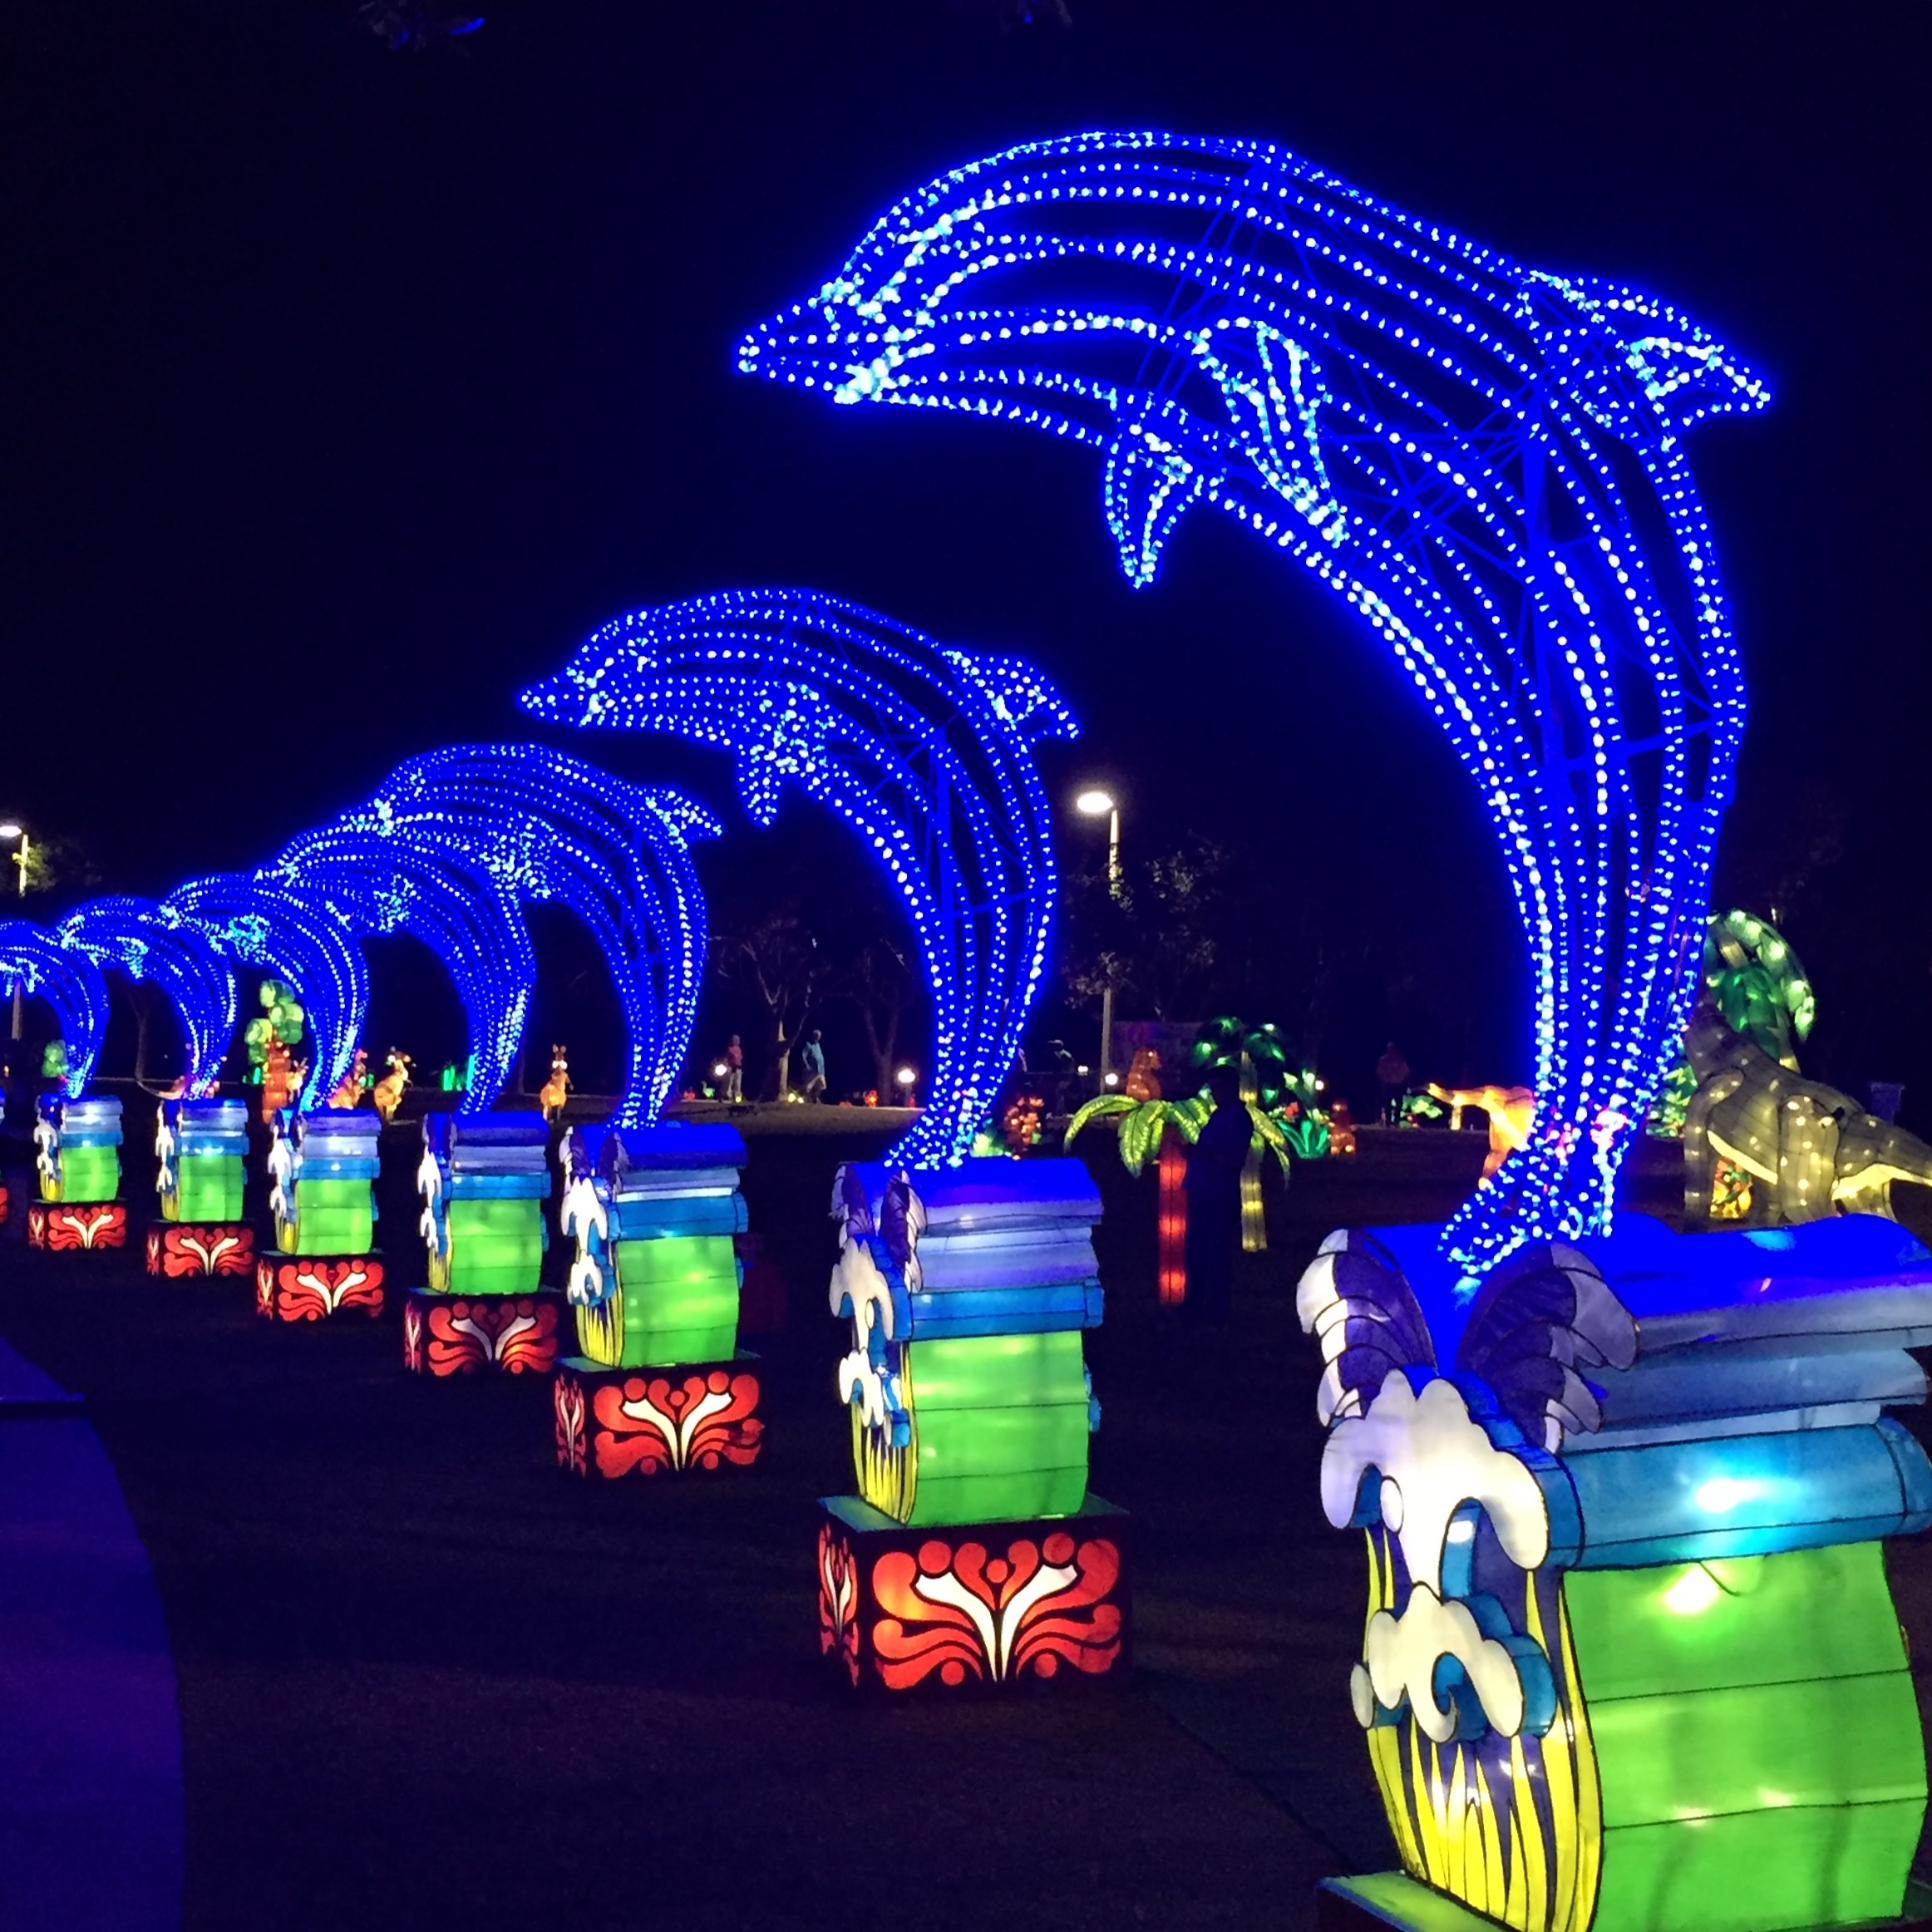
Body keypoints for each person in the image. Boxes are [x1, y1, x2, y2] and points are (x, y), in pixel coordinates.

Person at [1181, 1062, 1249, 1329]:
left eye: (1216, 1088)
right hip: (1203, 1191)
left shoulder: (1236, 1118)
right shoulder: (1222, 1116)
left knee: (1214, 1255)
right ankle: (1196, 1308)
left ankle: (1212, 1313)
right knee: (1198, 1253)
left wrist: (1199, 1153)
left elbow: (1233, 1159)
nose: (1214, 1094)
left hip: (1217, 1195)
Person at [1376, 1040, 1411, 1126]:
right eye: (1390, 1048)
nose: (1391, 1050)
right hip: (1388, 1084)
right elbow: (1380, 1071)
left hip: (1398, 1084)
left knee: (1399, 1104)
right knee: (1387, 1104)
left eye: (1393, 1048)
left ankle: (1396, 1121)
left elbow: (1405, 1071)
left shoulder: (1400, 1060)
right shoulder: (1384, 1060)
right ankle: (1388, 1122)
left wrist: (1402, 1080)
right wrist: (1385, 1080)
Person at [799, 1028, 826, 1103]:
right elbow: (803, 1055)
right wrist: (807, 1065)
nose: (818, 1037)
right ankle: (804, 1100)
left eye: (819, 1036)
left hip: (820, 1070)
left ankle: (815, 1097)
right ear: (814, 1036)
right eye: (817, 1036)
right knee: (809, 1086)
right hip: (813, 1070)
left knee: (823, 1086)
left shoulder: (818, 1044)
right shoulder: (808, 1044)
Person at [722, 1034, 744, 1104]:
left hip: (738, 1068)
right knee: (729, 1082)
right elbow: (727, 1057)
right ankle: (728, 1096)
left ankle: (738, 1098)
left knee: (737, 1083)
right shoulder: (730, 1049)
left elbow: (740, 1058)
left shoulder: (739, 1049)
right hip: (731, 1067)